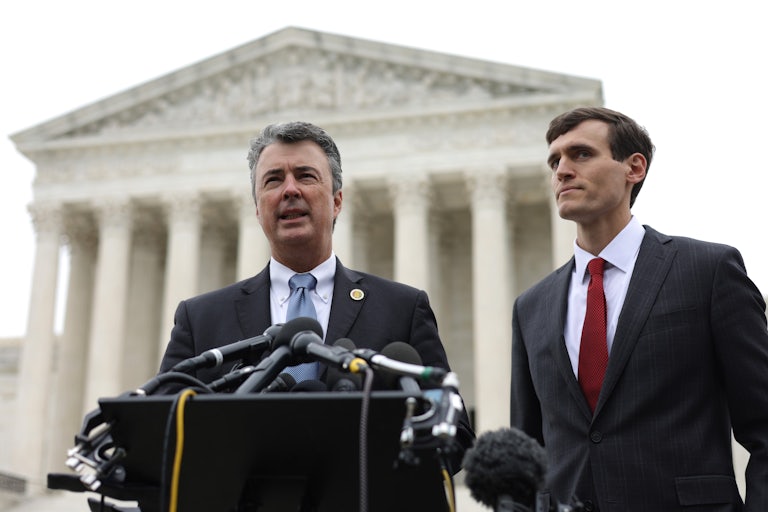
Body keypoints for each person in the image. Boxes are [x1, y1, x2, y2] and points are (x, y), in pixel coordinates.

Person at [158, 121, 474, 467]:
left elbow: (454, 436)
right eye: (273, 179)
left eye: (306, 176)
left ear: (337, 201)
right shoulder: (201, 319)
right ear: (257, 208)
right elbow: (161, 436)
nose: (289, 189)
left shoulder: (401, 309)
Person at [510, 107, 768, 511]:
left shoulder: (707, 271)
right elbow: (526, 452)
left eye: (580, 154)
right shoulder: (531, 307)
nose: (561, 170)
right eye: (554, 160)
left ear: (634, 168)